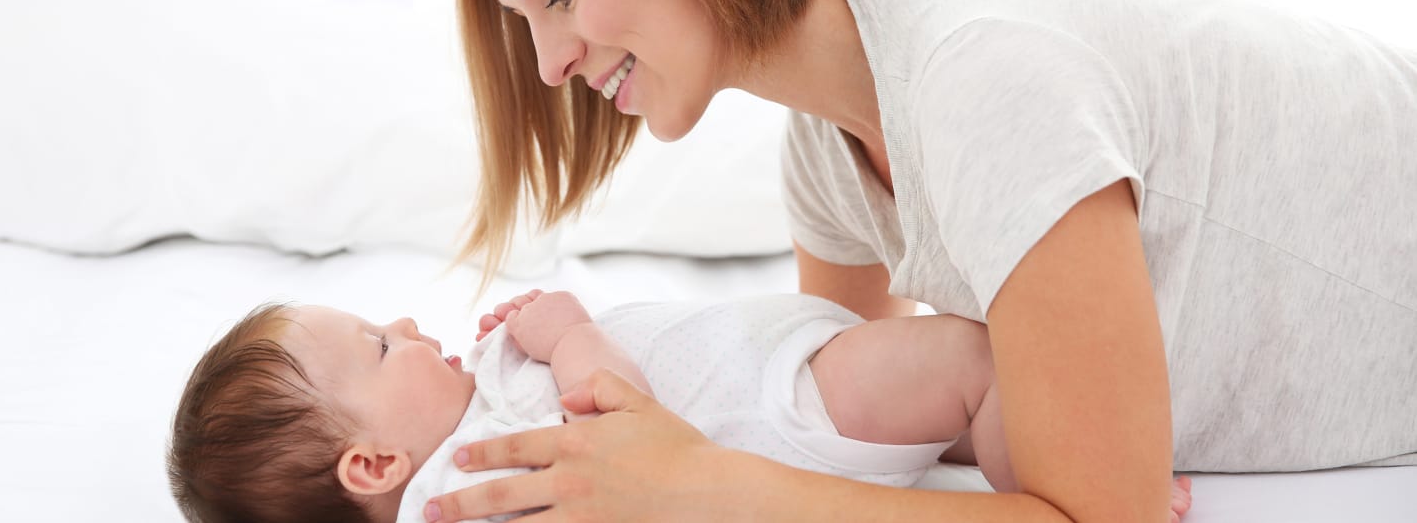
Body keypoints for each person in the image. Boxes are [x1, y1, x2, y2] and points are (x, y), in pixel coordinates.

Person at [429, 0, 1417, 523]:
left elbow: (1101, 515)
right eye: (524, 21)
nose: (551, 64)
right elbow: (828, 418)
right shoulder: (829, 144)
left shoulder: (981, 78)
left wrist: (698, 486)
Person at [164, 289, 1197, 523]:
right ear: (374, 463)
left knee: (964, 362)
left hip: (769, 393)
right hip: (776, 409)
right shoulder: (474, 477)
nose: (410, 326)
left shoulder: (469, 442)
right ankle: (1097, 481)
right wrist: (566, 332)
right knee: (968, 357)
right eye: (383, 346)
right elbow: (627, 427)